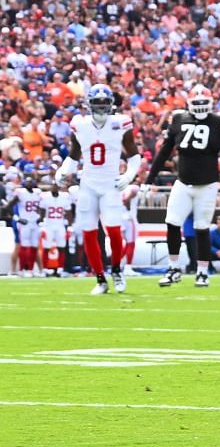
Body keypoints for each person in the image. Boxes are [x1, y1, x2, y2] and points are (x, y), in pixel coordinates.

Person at [147, 84, 220, 288]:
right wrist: (149, 179)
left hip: (207, 185)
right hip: (183, 182)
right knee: (172, 223)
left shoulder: (218, 122)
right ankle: (173, 268)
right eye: (197, 103)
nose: (200, 107)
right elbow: (164, 151)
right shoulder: (178, 119)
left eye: (204, 103)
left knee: (201, 228)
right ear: (189, 103)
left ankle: (202, 272)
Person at [63, 83, 140, 293]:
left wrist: (129, 175)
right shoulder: (80, 124)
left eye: (105, 102)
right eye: (97, 102)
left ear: (111, 103)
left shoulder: (120, 123)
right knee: (89, 233)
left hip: (110, 185)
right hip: (88, 184)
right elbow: (74, 154)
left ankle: (116, 270)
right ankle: (100, 279)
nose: (101, 106)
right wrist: (63, 171)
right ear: (89, 103)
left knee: (114, 232)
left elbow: (133, 155)